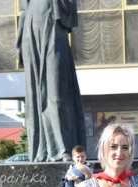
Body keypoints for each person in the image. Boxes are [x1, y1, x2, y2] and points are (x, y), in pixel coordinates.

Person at [16, 0, 86, 161]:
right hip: (31, 33)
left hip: (53, 27)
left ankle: (63, 148)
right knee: (36, 97)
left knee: (57, 94)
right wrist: (19, 40)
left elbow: (68, 9)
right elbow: (24, 11)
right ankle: (42, 149)